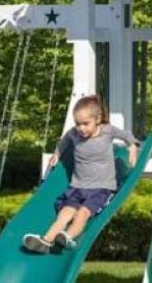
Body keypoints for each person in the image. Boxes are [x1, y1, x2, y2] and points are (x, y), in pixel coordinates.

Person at [22, 94, 138, 253]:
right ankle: (46, 240)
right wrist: (57, 154)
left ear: (97, 119)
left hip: (100, 189)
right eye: (78, 124)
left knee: (82, 215)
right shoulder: (74, 134)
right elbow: (64, 141)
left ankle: (67, 236)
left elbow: (126, 135)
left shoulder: (107, 131)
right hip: (77, 187)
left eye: (85, 124)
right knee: (64, 214)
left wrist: (132, 146)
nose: (81, 128)